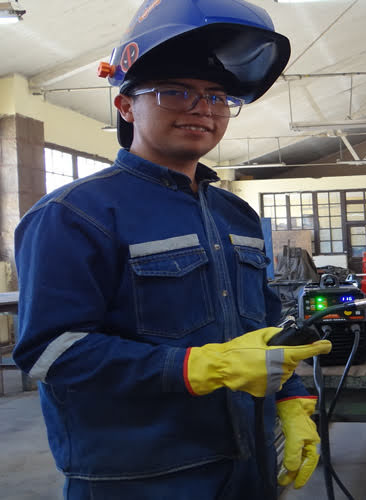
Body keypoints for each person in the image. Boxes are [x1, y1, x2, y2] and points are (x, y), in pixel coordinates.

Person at [12, 1, 332, 499]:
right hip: (141, 477)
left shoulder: (237, 216)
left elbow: (267, 327)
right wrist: (198, 367)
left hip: (248, 463)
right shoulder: (75, 214)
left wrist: (293, 399)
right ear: (124, 105)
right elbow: (51, 353)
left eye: (219, 96)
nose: (201, 107)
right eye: (175, 91)